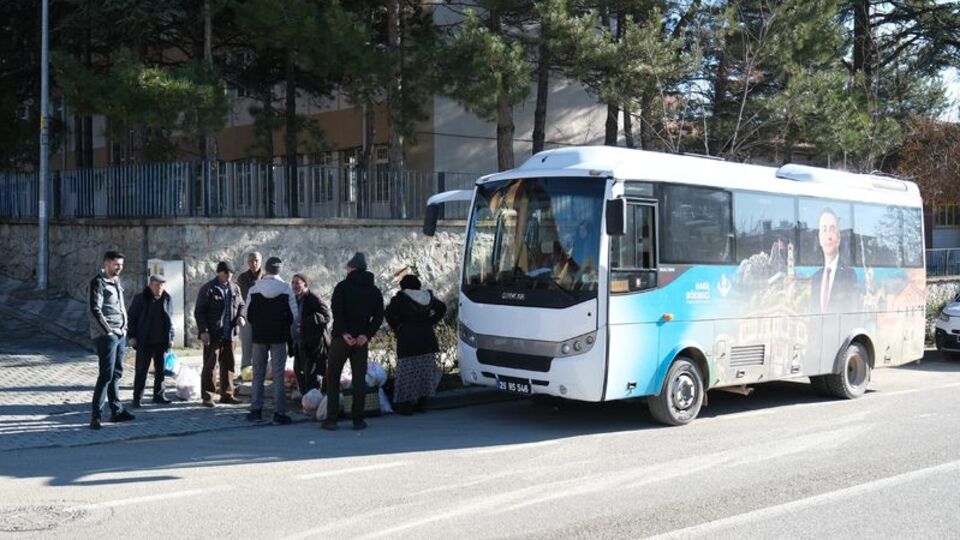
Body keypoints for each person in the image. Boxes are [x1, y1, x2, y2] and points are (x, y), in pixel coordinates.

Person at [322, 252, 384, 431]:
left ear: (352, 268)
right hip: (361, 342)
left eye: (348, 266)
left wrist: (343, 333)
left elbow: (337, 310)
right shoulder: (374, 290)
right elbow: (379, 316)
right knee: (359, 379)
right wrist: (366, 335)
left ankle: (331, 419)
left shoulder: (342, 287)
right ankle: (358, 419)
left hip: (341, 339)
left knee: (333, 377)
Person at [245, 256, 299, 424]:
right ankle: (279, 413)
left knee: (258, 374)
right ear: (279, 270)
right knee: (278, 374)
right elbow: (294, 315)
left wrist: (259, 324)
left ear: (266, 269)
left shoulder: (254, 289)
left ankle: (256, 410)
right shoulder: (286, 288)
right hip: (279, 336)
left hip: (259, 336)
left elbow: (248, 314)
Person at [384, 275, 447, 415]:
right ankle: (422, 402)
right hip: (427, 339)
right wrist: (431, 321)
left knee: (407, 373)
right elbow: (442, 308)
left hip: (408, 340)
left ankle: (405, 405)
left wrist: (398, 326)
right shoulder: (427, 297)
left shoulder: (400, 298)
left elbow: (388, 313)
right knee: (424, 372)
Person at [88, 250, 135, 430]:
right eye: (116, 265)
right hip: (106, 336)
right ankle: (96, 415)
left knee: (116, 373)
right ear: (107, 263)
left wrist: (124, 329)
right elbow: (95, 309)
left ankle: (117, 411)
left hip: (120, 333)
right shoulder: (98, 283)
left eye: (121, 265)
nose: (119, 268)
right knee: (106, 375)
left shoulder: (115, 281)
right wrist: (107, 331)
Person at [194, 261, 245, 407]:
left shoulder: (235, 288)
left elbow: (241, 304)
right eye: (226, 274)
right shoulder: (208, 289)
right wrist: (203, 331)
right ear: (219, 273)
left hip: (230, 334)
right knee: (210, 365)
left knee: (229, 365)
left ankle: (227, 394)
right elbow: (199, 311)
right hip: (213, 333)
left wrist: (241, 316)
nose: (228, 277)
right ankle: (208, 396)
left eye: (230, 274)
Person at [127, 274, 174, 407]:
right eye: (157, 285)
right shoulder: (140, 298)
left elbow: (170, 320)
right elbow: (132, 318)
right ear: (150, 285)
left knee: (160, 371)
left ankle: (159, 396)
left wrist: (171, 337)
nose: (160, 287)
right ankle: (137, 398)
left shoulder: (167, 298)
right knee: (141, 371)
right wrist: (131, 336)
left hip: (161, 341)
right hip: (144, 340)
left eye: (162, 285)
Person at [810, 207, 858, 314]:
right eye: (824, 230)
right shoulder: (815, 278)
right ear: (820, 238)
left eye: (832, 229)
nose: (828, 237)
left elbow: (852, 316)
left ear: (839, 237)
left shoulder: (849, 275)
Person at [291, 274, 331, 395]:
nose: (294, 286)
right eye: (293, 283)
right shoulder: (295, 299)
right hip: (297, 342)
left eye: (297, 283)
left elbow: (326, 316)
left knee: (311, 375)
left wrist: (305, 324)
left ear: (305, 284)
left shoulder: (314, 299)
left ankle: (313, 401)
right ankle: (306, 399)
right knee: (298, 371)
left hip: (311, 344)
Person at [236, 252, 265, 370]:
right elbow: (242, 298)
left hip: (263, 316)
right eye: (251, 261)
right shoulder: (242, 278)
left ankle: (261, 370)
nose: (253, 263)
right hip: (247, 314)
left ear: (261, 261)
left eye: (256, 260)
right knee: (246, 345)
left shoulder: (266, 277)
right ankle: (245, 370)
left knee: (261, 346)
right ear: (248, 262)